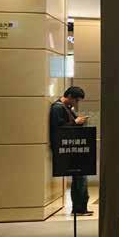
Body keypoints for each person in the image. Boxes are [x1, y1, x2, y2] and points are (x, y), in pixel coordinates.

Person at [49, 86, 92, 216]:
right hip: (67, 148)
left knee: (80, 177)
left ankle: (80, 208)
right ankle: (79, 208)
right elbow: (58, 129)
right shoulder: (57, 108)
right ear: (69, 96)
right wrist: (76, 122)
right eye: (76, 100)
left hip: (71, 147)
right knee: (80, 177)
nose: (76, 103)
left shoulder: (66, 108)